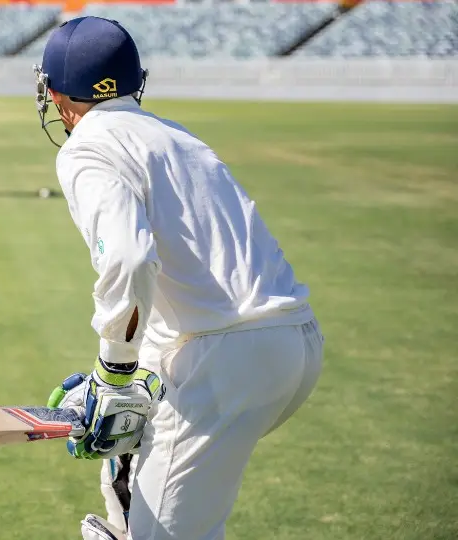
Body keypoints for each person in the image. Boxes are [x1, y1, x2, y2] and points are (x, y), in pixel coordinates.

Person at [35, 17, 324, 540]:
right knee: (125, 474)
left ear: (56, 95)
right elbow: (193, 280)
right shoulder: (176, 135)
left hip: (225, 361)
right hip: (294, 343)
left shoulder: (86, 146)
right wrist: (133, 376)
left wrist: (114, 373)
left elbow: (128, 257)